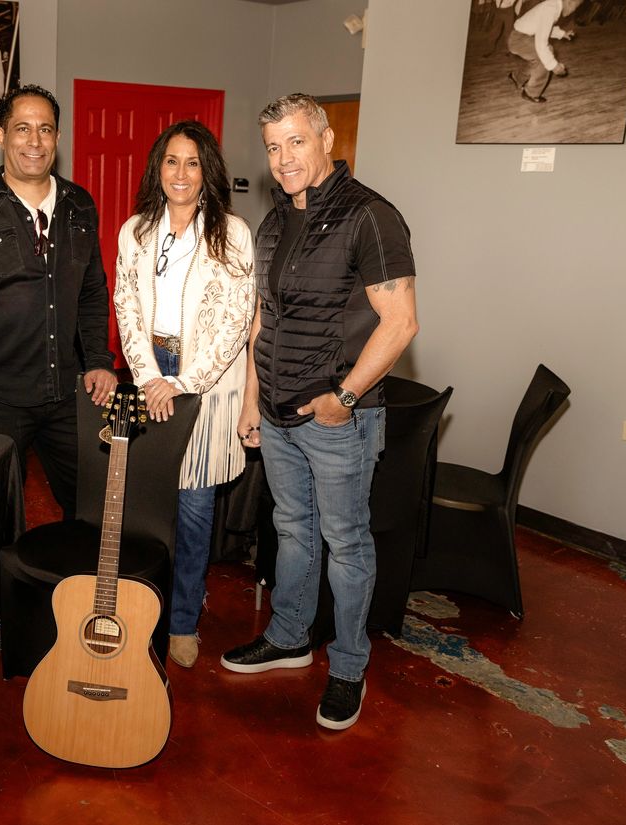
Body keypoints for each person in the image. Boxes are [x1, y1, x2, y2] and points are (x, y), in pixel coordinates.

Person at [221, 94, 418, 732]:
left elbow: (402, 322)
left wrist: (347, 399)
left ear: (326, 139)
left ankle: (349, 667)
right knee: (293, 532)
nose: (284, 160)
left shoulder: (371, 217)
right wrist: (252, 399)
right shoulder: (275, 223)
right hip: (276, 414)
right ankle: (288, 637)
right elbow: (262, 321)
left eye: (296, 142)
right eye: (274, 147)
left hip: (338, 420)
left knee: (346, 543)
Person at [0, 84, 117, 526]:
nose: (35, 142)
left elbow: (93, 291)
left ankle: (77, 593)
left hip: (69, 397)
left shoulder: (80, 206)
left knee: (93, 512)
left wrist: (99, 359)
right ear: (0, 134)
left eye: (46, 130)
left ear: (57, 137)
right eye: (22, 129)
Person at [112, 121, 254, 669]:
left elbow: (235, 321)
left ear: (207, 172)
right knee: (143, 506)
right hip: (150, 371)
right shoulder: (135, 231)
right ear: (158, 168)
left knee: (194, 510)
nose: (180, 173)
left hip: (205, 381)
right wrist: (149, 376)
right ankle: (139, 608)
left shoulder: (232, 233)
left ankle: (182, 622)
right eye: (171, 161)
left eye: (192, 163)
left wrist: (182, 383)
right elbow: (126, 307)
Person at [506, 0, 583, 104]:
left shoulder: (553, 5)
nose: (571, 11)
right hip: (518, 40)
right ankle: (531, 93)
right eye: (573, 6)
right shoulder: (551, 8)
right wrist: (554, 66)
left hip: (520, 36)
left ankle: (517, 77)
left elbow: (546, 26)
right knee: (546, 52)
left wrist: (562, 34)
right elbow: (541, 44)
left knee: (537, 59)